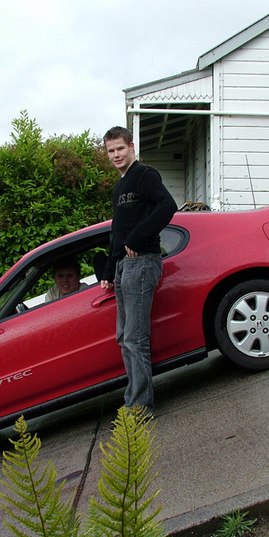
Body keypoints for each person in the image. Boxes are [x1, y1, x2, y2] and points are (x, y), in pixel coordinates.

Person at [100, 126, 177, 414]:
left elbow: (167, 205)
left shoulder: (145, 175)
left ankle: (139, 407)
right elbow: (117, 232)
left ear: (131, 146)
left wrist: (139, 237)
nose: (116, 154)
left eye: (120, 148)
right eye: (111, 150)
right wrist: (108, 272)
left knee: (135, 337)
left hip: (143, 261)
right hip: (123, 266)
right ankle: (133, 401)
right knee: (124, 337)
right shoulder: (119, 187)